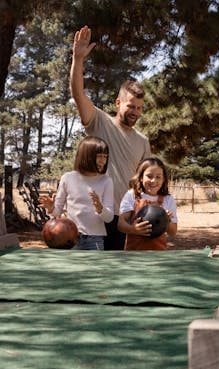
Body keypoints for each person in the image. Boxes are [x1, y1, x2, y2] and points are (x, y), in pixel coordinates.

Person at [70, 25, 152, 250]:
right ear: (118, 103)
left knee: (114, 277)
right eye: (130, 106)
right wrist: (78, 59)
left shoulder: (143, 142)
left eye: (139, 108)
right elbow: (78, 94)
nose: (135, 111)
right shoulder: (99, 121)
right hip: (92, 216)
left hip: (123, 219)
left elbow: (144, 184)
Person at [51, 136, 114, 250]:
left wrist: (100, 208)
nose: (103, 161)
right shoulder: (68, 178)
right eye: (99, 156)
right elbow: (57, 212)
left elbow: (109, 218)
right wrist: (51, 208)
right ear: (86, 156)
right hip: (70, 237)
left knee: (95, 268)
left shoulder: (106, 181)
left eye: (105, 157)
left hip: (95, 239)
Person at [118, 157, 178, 250]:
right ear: (141, 177)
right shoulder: (132, 195)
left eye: (158, 177)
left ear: (163, 180)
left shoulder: (168, 199)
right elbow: (120, 224)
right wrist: (133, 229)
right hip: (134, 254)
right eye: (149, 176)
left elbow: (173, 232)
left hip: (158, 254)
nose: (153, 180)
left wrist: (167, 220)